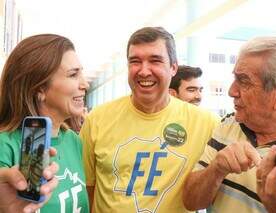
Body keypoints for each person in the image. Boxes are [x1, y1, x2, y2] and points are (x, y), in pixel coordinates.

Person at [80, 26, 221, 212]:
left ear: (173, 67)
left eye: (155, 60)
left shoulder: (207, 123)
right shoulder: (97, 119)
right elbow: (86, 189)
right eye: (135, 61)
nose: (144, 71)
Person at [182, 36, 276, 212]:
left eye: (244, 81)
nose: (231, 91)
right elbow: (190, 202)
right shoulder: (229, 123)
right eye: (235, 79)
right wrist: (216, 169)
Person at [0, 34, 90, 213]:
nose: (85, 84)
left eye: (82, 73)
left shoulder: (74, 140)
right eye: (73, 74)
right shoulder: (5, 144)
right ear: (39, 88)